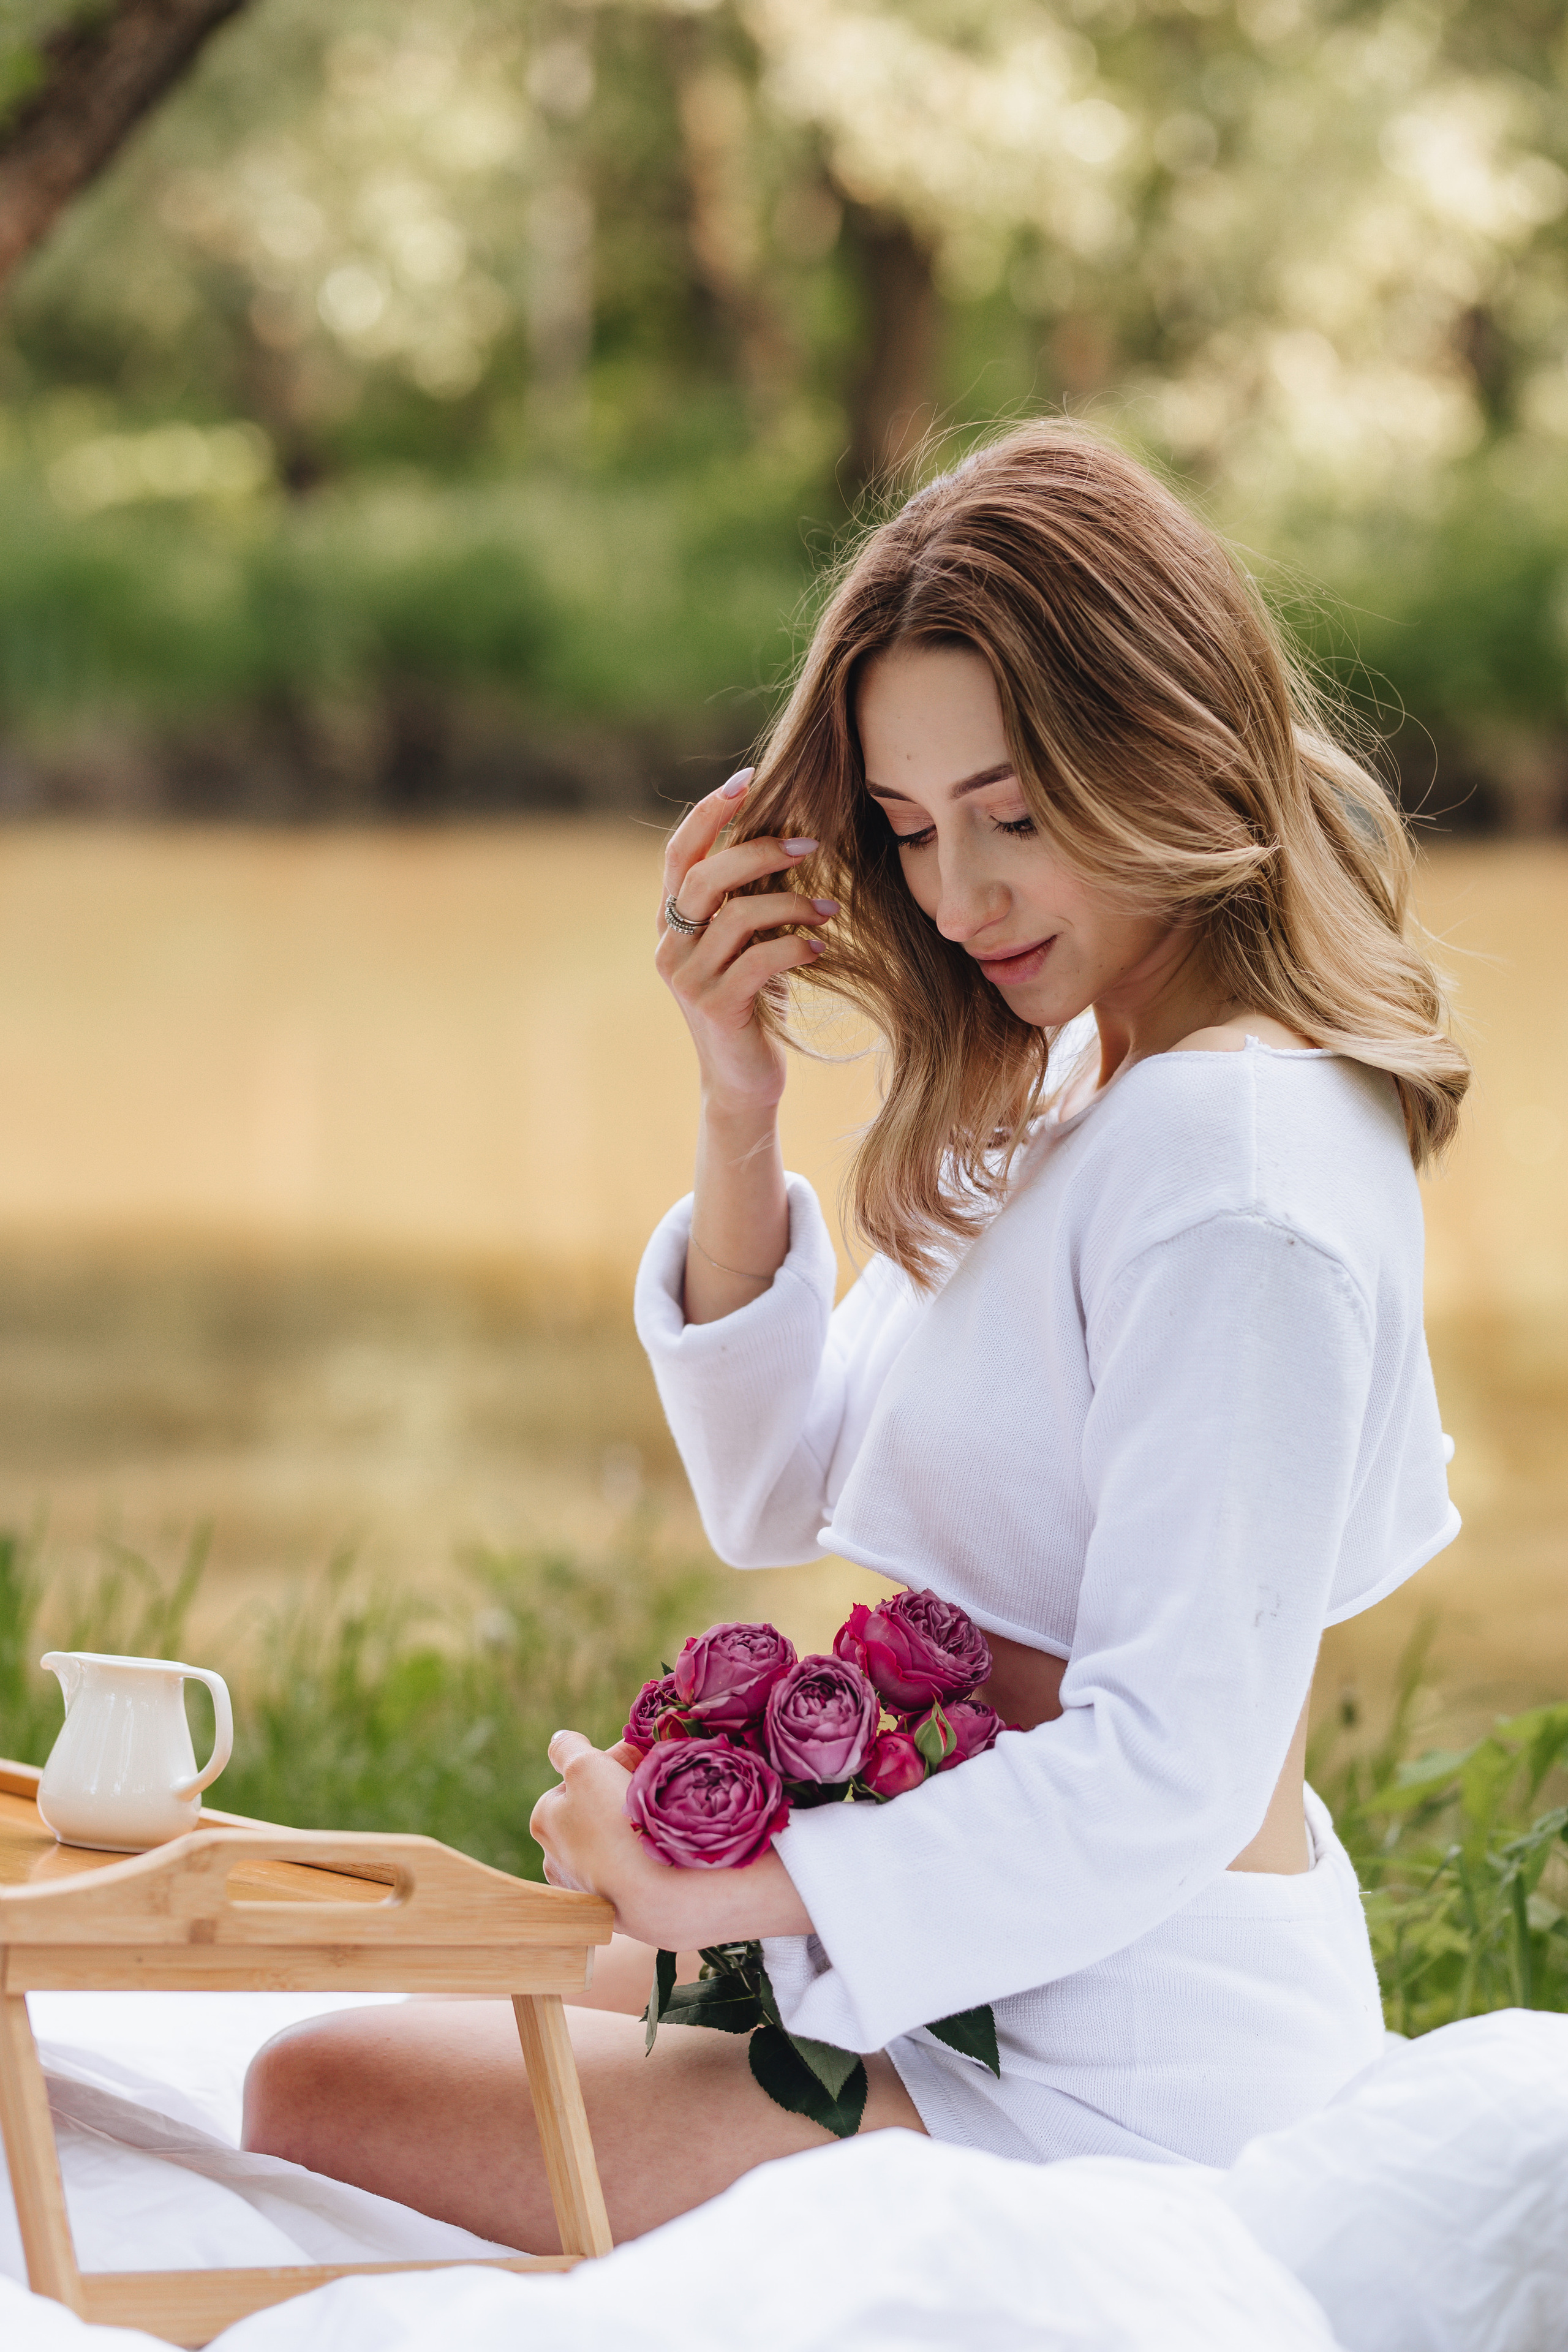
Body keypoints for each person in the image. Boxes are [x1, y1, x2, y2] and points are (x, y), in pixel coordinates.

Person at [243, 420, 1468, 2247]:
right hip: (964, 1958)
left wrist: (750, 1881)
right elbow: (781, 1483)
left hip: (1115, 2061)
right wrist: (737, 1101)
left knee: (306, 2089)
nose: (956, 898)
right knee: (333, 2032)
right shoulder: (1089, 1077)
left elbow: (1179, 1766)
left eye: (1014, 817)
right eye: (907, 829)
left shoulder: (1240, 1171)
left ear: (1166, 748)